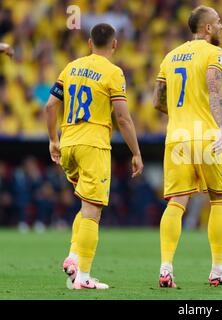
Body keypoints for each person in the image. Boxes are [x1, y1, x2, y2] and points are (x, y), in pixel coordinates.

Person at [45, 23, 143, 290]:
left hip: (68, 144)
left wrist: (54, 139)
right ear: (114, 45)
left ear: (89, 43)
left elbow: (50, 105)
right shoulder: (113, 72)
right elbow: (122, 117)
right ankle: (84, 277)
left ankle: (74, 257)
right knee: (92, 211)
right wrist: (136, 152)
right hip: (94, 146)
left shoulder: (71, 67)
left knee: (85, 203)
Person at [153, 5, 222, 288]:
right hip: (206, 136)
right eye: (218, 22)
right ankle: (217, 269)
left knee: (176, 203)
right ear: (207, 28)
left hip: (176, 138)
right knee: (220, 199)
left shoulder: (170, 56)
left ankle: (166, 268)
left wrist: (181, 116)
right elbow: (214, 89)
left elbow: (157, 101)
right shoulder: (215, 53)